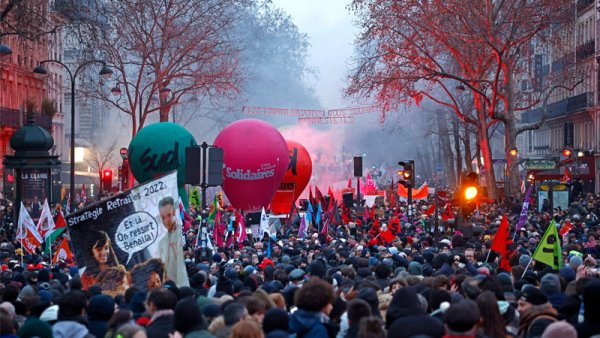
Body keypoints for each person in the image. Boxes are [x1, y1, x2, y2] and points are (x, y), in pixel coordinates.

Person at [157, 197, 189, 287]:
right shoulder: (161, 243)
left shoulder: (181, 234)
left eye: (168, 215)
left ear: (174, 213)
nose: (166, 220)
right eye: (163, 217)